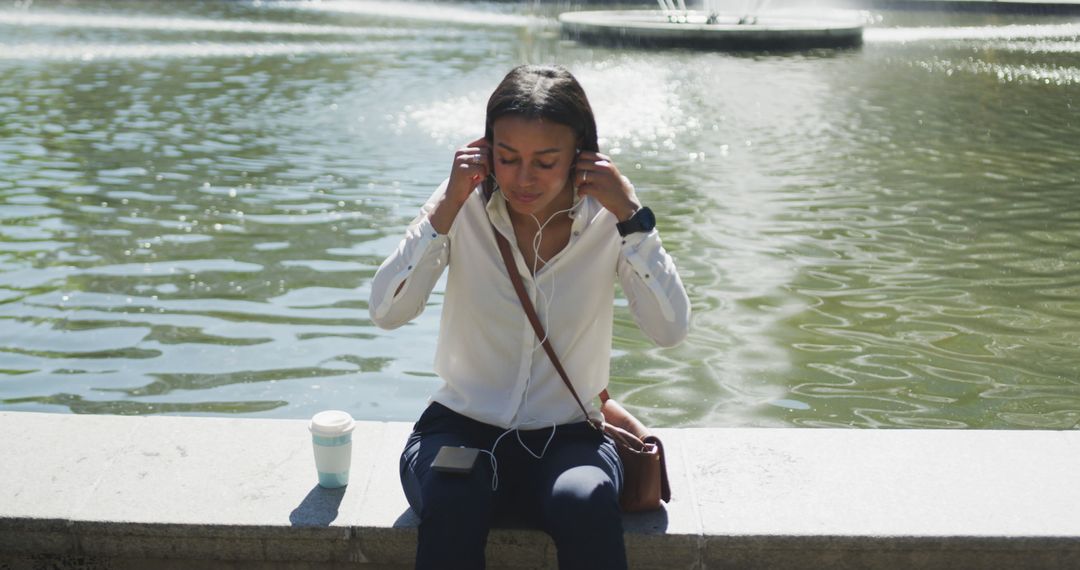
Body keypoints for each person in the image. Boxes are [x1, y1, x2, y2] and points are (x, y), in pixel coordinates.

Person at [369, 64, 691, 570]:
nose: (523, 178)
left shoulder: (613, 219)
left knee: (583, 500)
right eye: (508, 157)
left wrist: (635, 219)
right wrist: (445, 212)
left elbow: (670, 331)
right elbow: (386, 311)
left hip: (570, 435)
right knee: (456, 495)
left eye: (545, 161)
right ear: (486, 149)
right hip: (460, 428)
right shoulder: (461, 204)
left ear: (581, 155)